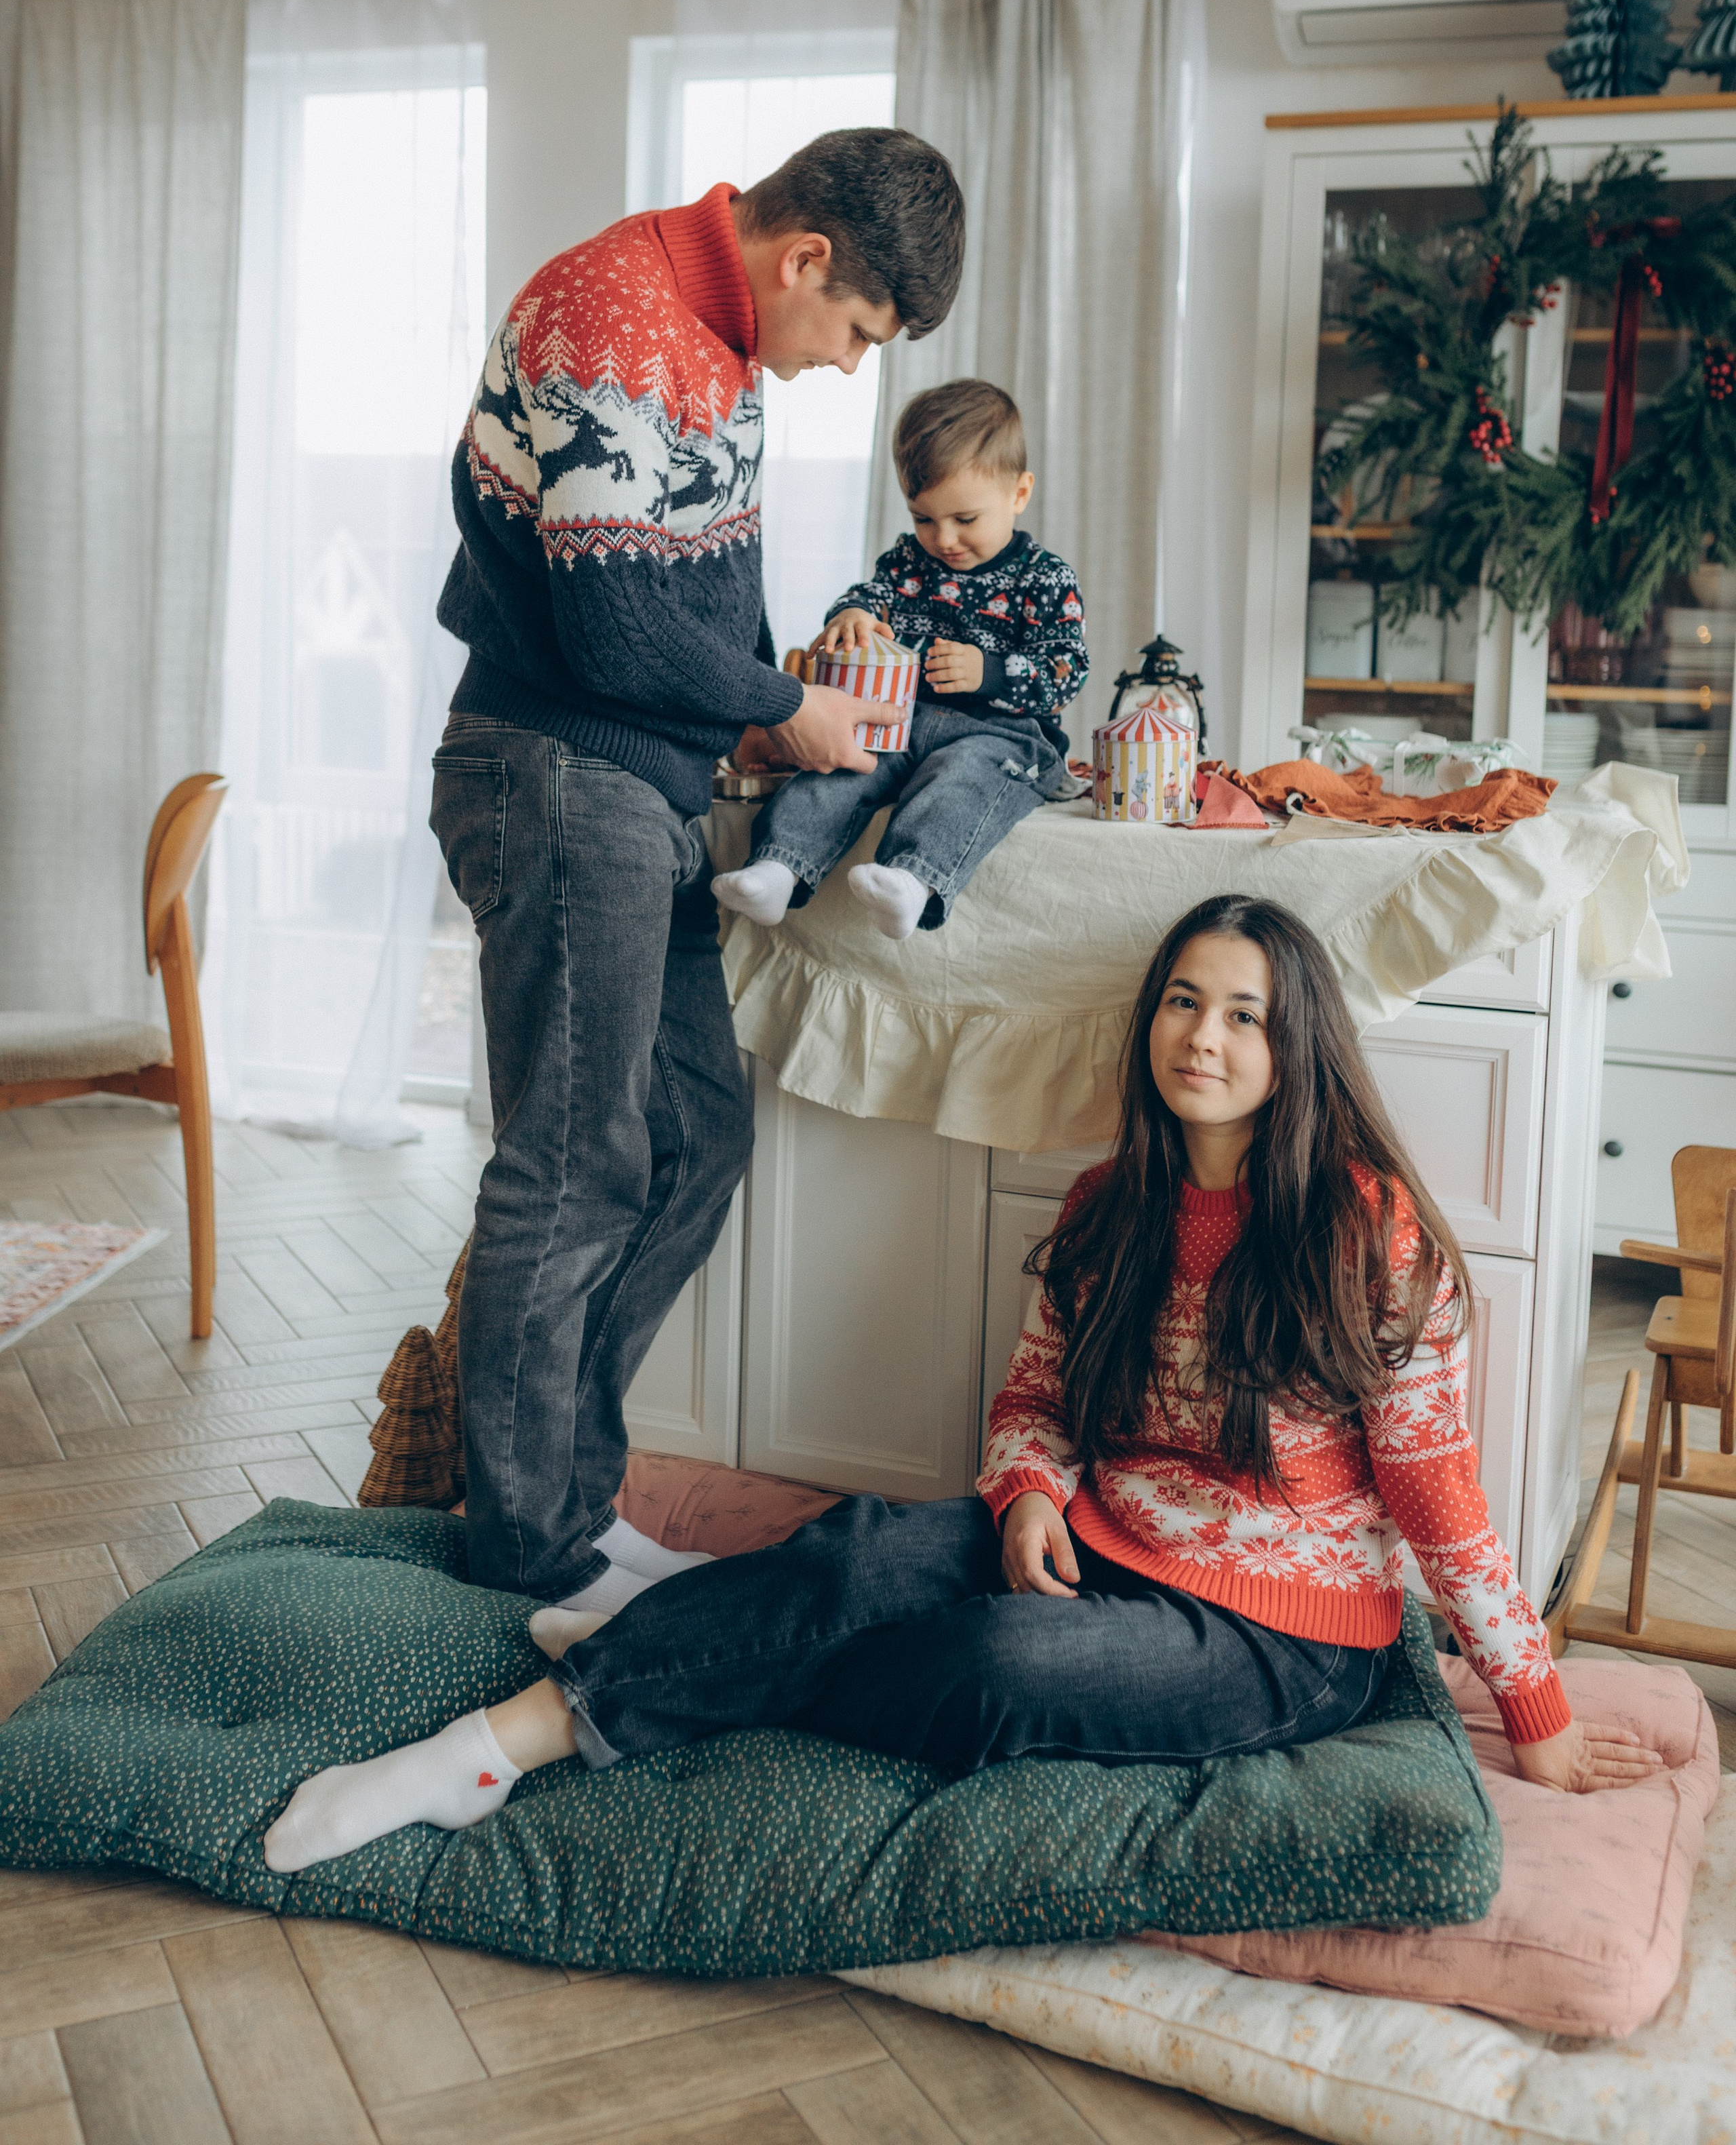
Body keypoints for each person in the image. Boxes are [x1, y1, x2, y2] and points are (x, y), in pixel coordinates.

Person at [264, 892, 1658, 1874]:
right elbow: (1032, 1401)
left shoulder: (1368, 1231)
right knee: (865, 1545)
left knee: (986, 1664)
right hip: (1098, 1547)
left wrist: (1531, 1712)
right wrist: (1033, 1491)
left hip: (1284, 1642)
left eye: (1243, 1014)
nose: (1203, 1037)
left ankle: (684, 1643)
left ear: (1296, 1047)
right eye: (1181, 1001)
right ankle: (486, 1753)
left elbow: (1438, 1495)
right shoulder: (1115, 1201)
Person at [430, 129, 965, 1617]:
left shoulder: (714, 343)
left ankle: (562, 1510)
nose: (848, 368)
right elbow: (608, 636)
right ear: (805, 261)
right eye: (857, 332)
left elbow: (677, 594)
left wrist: (762, 720)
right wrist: (780, 710)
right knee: (577, 1159)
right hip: (553, 774)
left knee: (688, 1142)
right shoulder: (621, 313)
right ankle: (522, 1561)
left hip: (627, 785)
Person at [713, 379, 1086, 942]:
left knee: (960, 780)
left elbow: (1065, 671)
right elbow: (871, 594)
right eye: (924, 519)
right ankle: (778, 868)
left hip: (1002, 734)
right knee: (842, 767)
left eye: (965, 518)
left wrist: (988, 671)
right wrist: (852, 615)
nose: (945, 539)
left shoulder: (1045, 577)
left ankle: (913, 880)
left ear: (1019, 493)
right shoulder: (909, 562)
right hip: (901, 724)